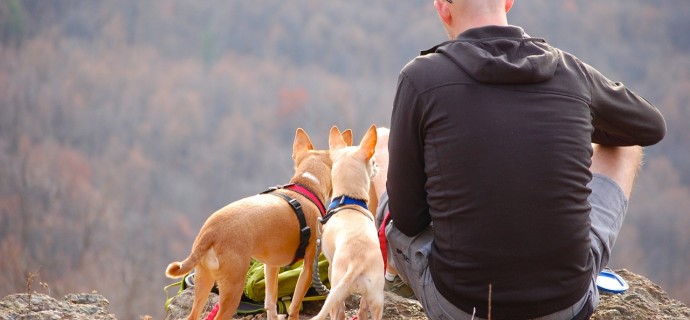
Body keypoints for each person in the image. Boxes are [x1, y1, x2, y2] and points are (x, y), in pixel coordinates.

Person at [385, 1, 666, 319]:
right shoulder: (570, 71)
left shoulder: (420, 78)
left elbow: (408, 220)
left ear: (442, 8)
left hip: (462, 307)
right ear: (508, 1)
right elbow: (650, 126)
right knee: (625, 145)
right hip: (567, 306)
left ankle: (387, 279)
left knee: (383, 158)